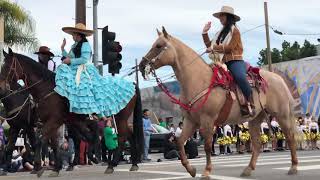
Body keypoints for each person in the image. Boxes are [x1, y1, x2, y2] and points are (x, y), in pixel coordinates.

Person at [55, 23, 135, 119]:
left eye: (73, 34)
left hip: (84, 69)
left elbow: (84, 59)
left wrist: (70, 61)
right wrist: (63, 49)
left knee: (85, 86)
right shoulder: (75, 45)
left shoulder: (85, 45)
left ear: (78, 35)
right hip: (74, 69)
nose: (72, 36)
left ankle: (92, 112)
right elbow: (70, 57)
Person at [202, 6, 254, 117]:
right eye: (220, 16)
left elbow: (230, 48)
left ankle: (251, 102)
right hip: (220, 61)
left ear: (228, 17)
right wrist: (204, 33)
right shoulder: (220, 33)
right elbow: (209, 46)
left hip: (234, 61)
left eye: (222, 15)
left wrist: (214, 48)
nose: (220, 18)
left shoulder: (235, 32)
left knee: (240, 77)